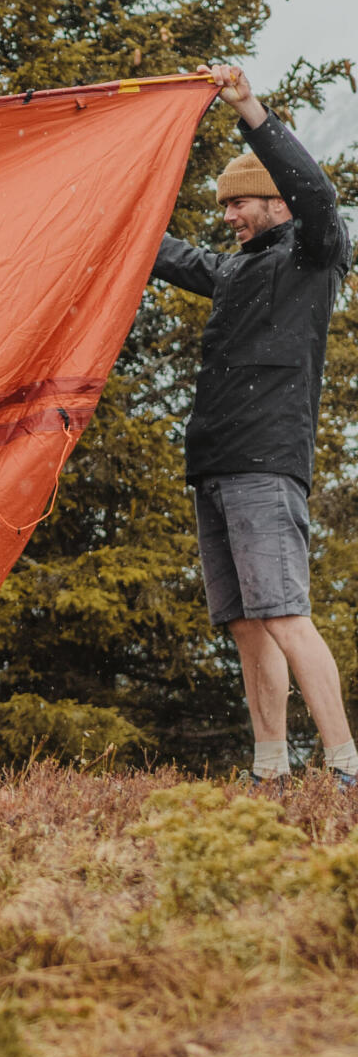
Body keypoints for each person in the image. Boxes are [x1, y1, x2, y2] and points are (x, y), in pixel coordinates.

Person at [150, 64, 353, 785]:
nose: (229, 216)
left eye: (240, 205)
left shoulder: (313, 254)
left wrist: (249, 110)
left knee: (285, 613)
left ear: (275, 201)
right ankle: (269, 767)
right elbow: (168, 253)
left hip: (267, 463)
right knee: (245, 623)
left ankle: (346, 764)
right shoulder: (237, 269)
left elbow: (319, 195)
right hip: (215, 464)